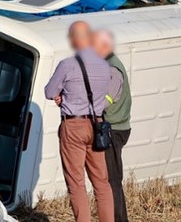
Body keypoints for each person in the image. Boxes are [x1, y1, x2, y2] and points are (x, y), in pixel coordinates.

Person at [44, 21, 122, 222]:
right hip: (97, 126)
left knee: (76, 183)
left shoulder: (67, 65)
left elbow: (49, 92)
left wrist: (63, 96)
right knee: (102, 182)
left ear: (75, 39)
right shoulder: (105, 66)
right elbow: (108, 94)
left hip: (73, 126)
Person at [93, 30, 132, 222]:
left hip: (114, 130)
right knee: (110, 179)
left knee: (112, 180)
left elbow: (106, 99)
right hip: (116, 128)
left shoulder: (113, 69)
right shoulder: (109, 65)